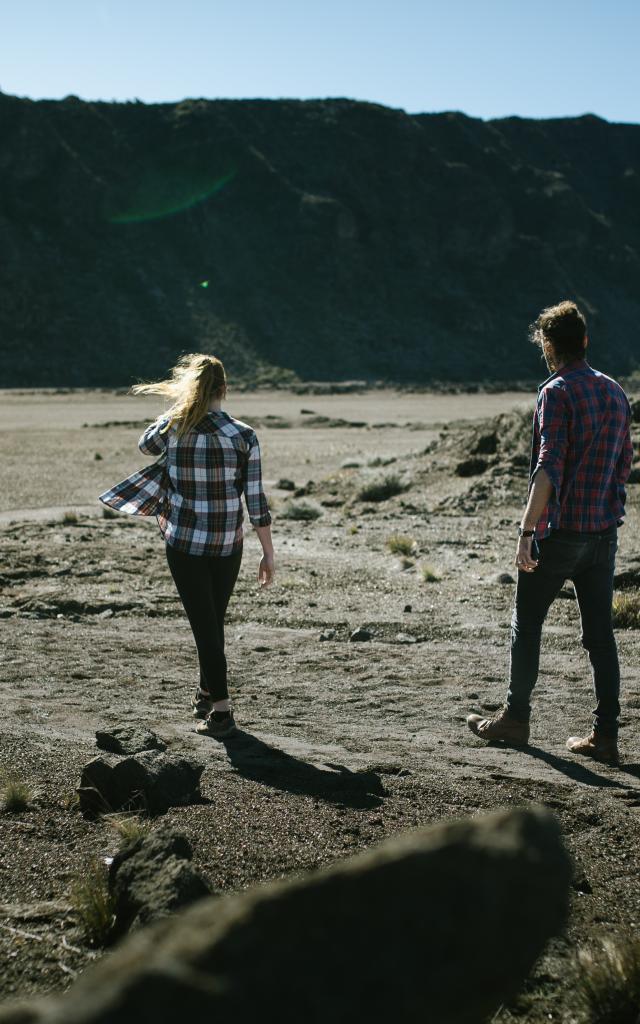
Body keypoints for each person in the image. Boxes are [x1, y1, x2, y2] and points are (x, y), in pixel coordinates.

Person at [466, 301, 632, 766]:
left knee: (527, 622)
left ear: (547, 345)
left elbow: (548, 467)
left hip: (561, 534)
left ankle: (516, 717)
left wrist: (525, 530)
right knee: (601, 638)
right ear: (584, 341)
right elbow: (624, 466)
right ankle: (605, 735)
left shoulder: (555, 392)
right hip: (603, 535)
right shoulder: (616, 392)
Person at [99, 353, 274, 738]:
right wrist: (268, 552)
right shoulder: (244, 435)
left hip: (184, 543)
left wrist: (178, 410)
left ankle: (223, 714)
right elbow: (255, 499)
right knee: (211, 623)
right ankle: (205, 692)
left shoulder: (175, 428)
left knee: (205, 626)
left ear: (191, 390)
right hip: (230, 543)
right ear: (225, 390)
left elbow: (145, 445)